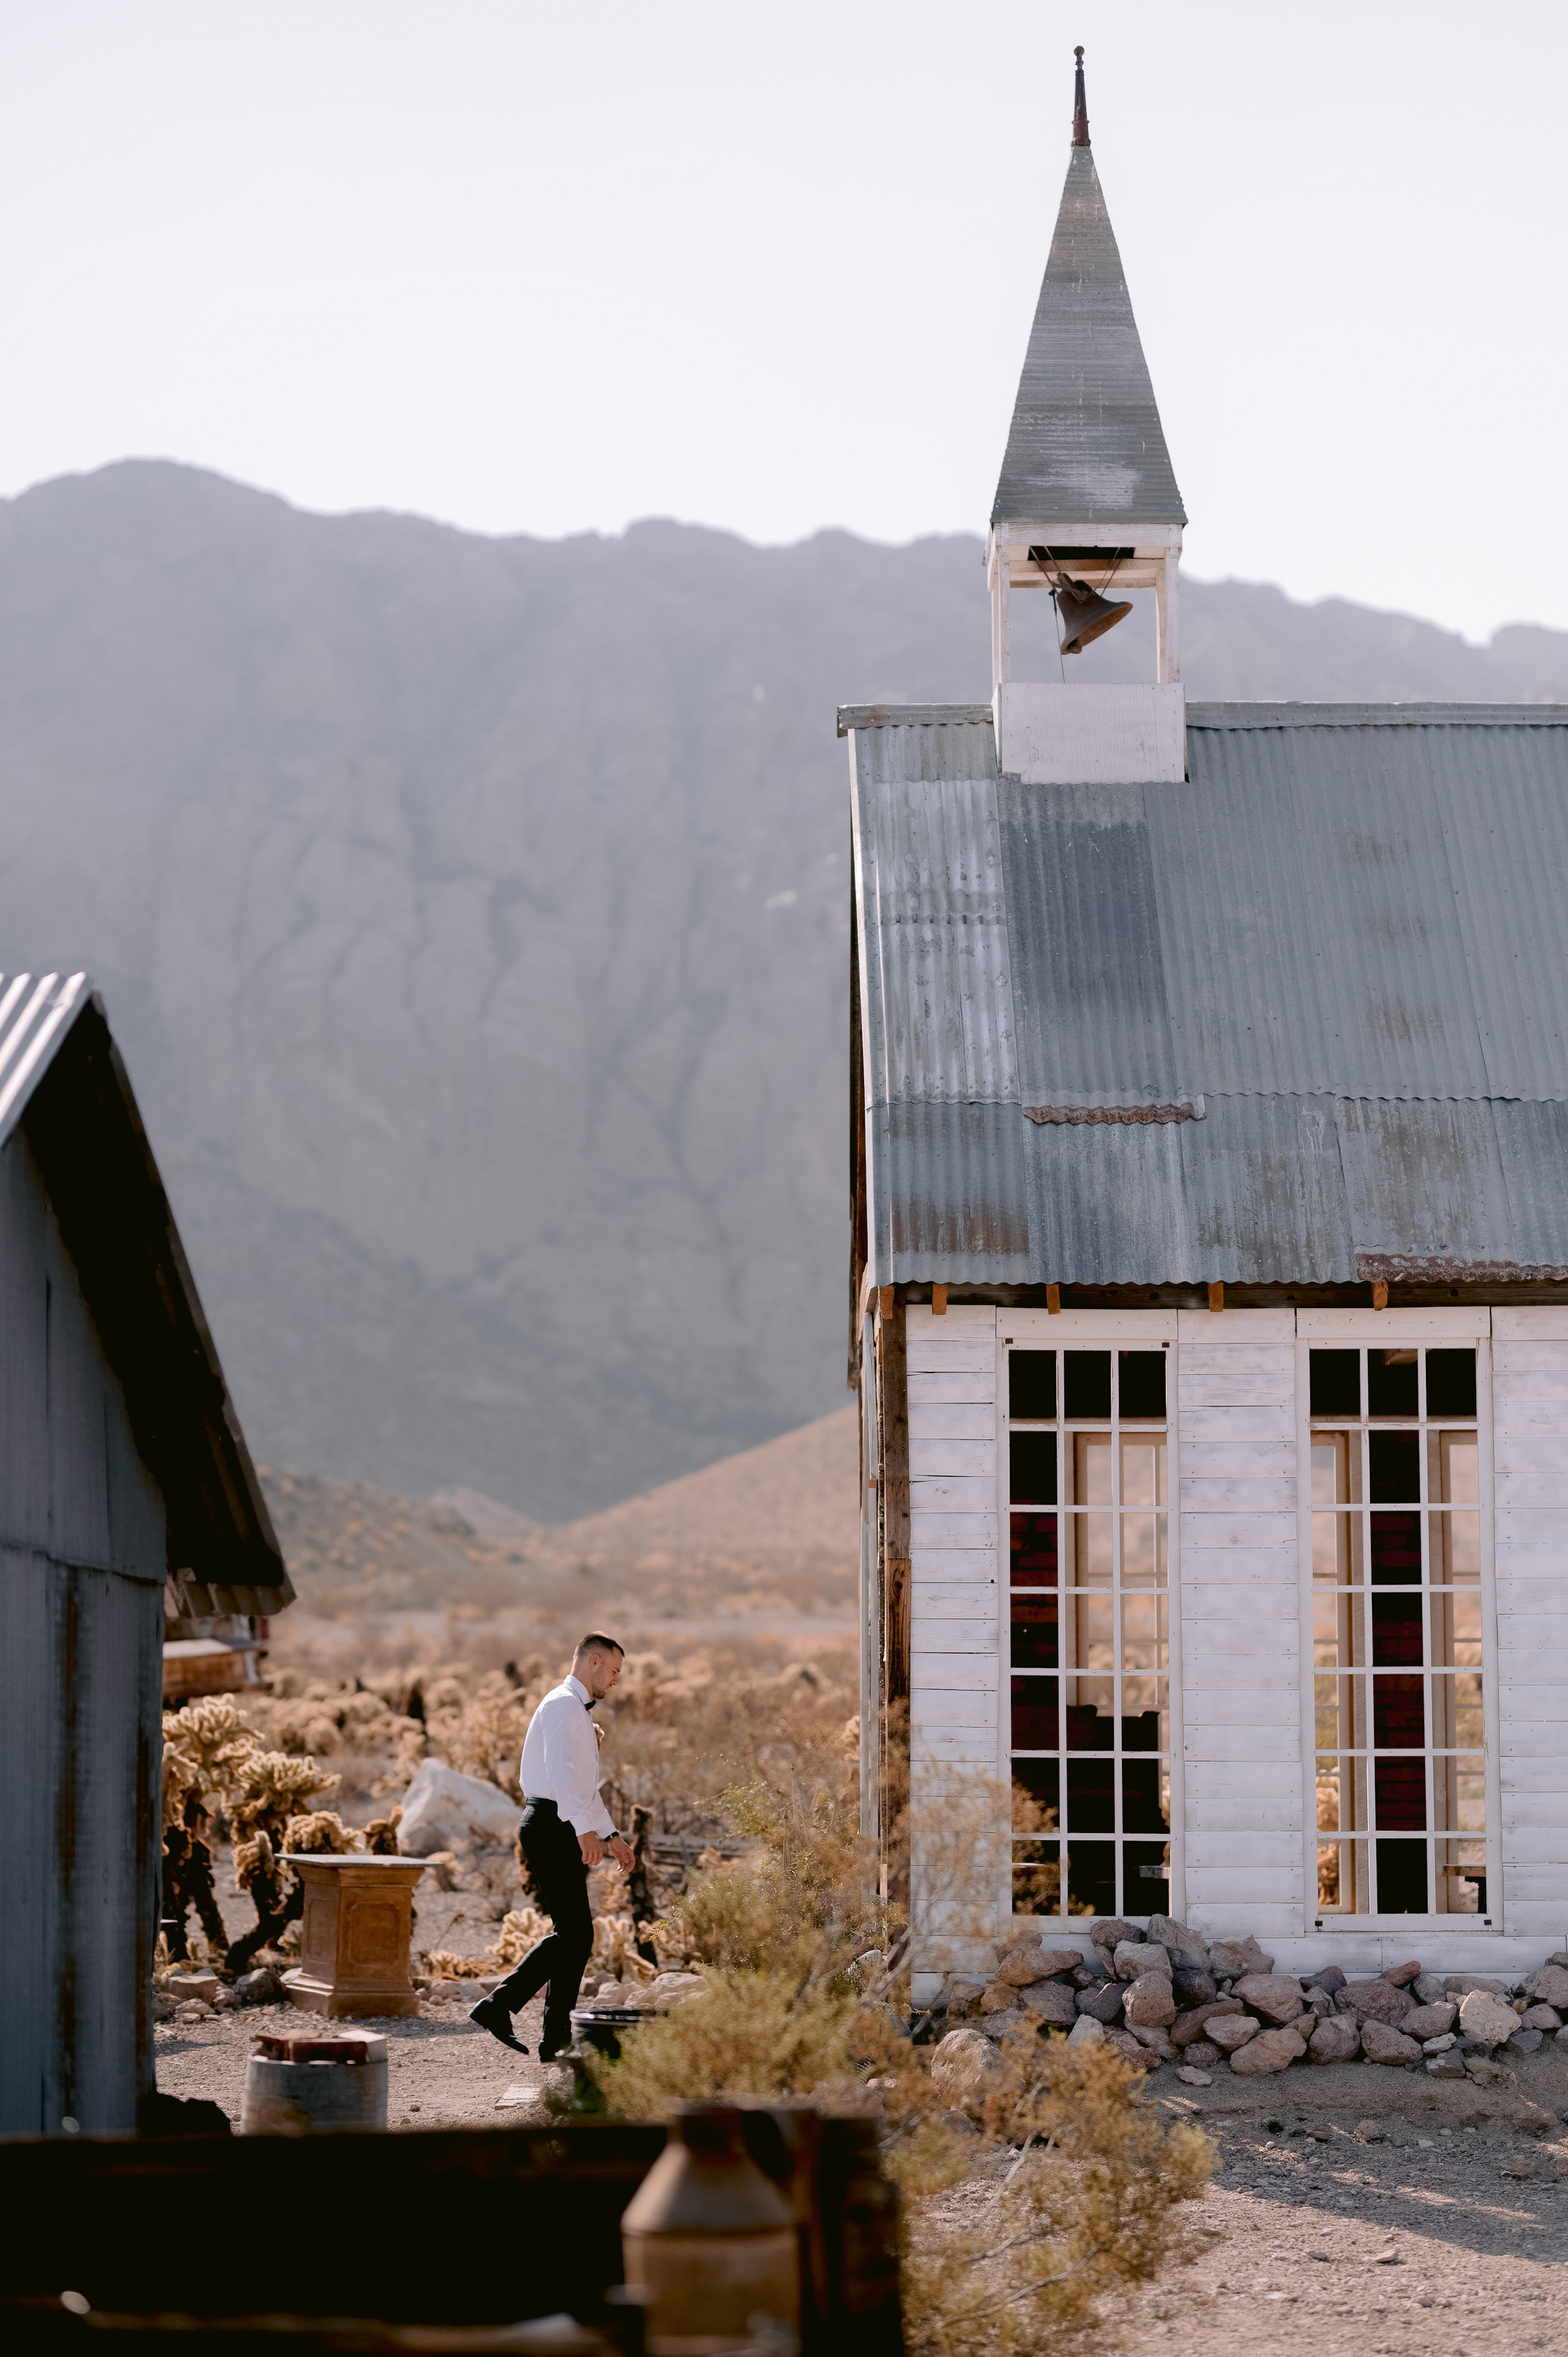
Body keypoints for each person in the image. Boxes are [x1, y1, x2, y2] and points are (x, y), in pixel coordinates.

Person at [469, 1634, 634, 2060]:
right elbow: (561, 1776)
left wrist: (611, 1836)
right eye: (614, 1671)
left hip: (559, 1822)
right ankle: (498, 2006)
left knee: (576, 1936)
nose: (616, 1681)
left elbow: (582, 1788)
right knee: (576, 1933)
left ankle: (554, 2038)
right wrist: (583, 1830)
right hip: (550, 1823)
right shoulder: (563, 1705)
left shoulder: (575, 1711)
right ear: (594, 1662)